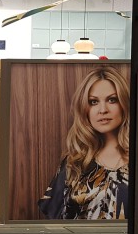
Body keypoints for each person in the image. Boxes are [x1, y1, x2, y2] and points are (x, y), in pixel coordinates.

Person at [38, 66, 130, 220]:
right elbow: (55, 223)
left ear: (124, 103)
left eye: (112, 100)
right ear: (84, 108)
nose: (103, 110)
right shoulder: (74, 163)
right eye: (93, 102)